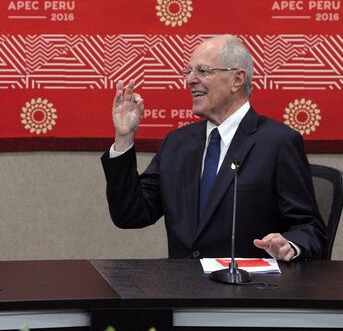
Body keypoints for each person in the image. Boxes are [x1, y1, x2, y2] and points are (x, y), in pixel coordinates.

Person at [102, 34, 326, 261]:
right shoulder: (177, 143)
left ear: (237, 80)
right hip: (183, 289)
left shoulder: (278, 143)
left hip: (247, 290)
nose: (190, 79)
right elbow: (130, 214)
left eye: (203, 71)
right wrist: (124, 137)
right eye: (188, 71)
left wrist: (289, 245)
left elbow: (310, 230)